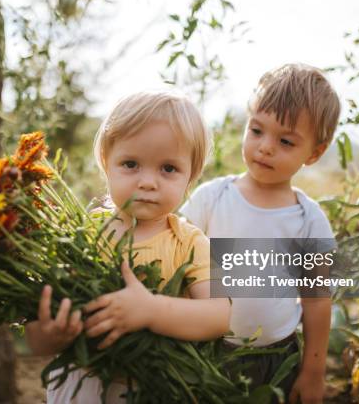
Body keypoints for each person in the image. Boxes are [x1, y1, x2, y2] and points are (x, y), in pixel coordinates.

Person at [25, 90, 231, 403]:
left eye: (168, 169)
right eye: (131, 164)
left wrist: (151, 311)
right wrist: (51, 334)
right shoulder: (81, 236)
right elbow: (36, 338)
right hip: (83, 381)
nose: (148, 182)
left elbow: (219, 316)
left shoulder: (188, 242)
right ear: (107, 164)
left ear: (191, 177)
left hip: (154, 388)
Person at [180, 63, 340, 404]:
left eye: (285, 141)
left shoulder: (308, 220)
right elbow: (176, 262)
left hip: (276, 359)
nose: (265, 147)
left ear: (314, 153)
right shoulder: (211, 199)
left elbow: (316, 302)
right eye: (256, 130)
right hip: (206, 352)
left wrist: (313, 372)